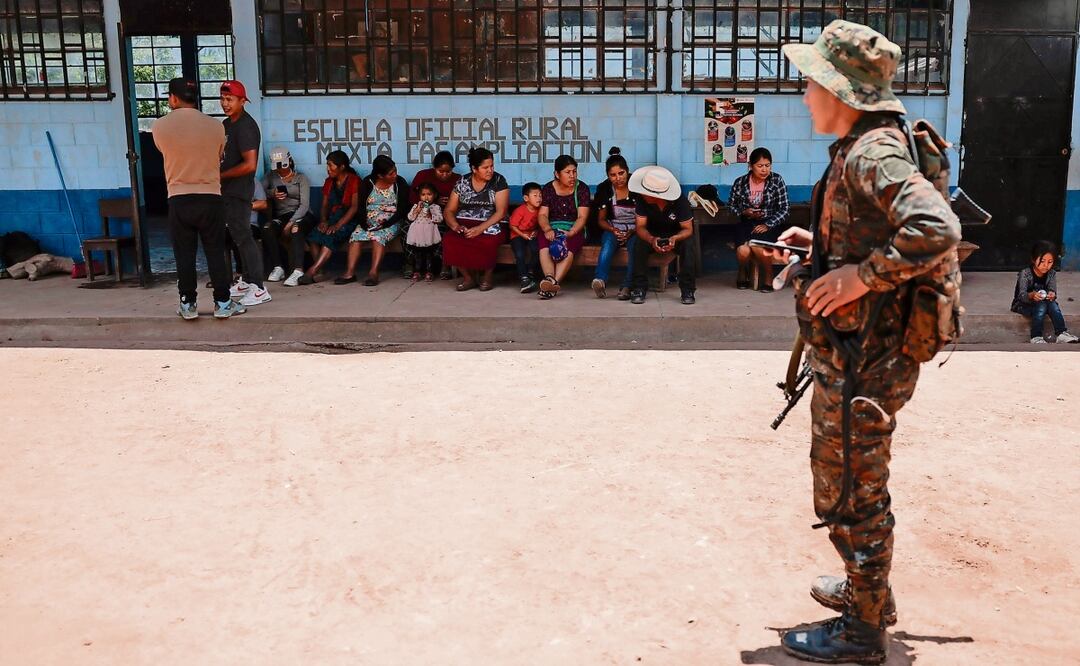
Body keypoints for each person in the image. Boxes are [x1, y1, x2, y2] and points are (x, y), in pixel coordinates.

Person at [766, 21, 962, 664]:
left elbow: (936, 227)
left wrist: (859, 277)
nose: (804, 97)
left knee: (851, 489)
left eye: (811, 83)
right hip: (864, 353)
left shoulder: (872, 153)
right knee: (851, 480)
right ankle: (867, 590)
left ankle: (862, 631)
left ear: (840, 90)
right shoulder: (862, 145)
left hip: (868, 362)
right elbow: (872, 230)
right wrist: (821, 250)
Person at [151, 77, 244, 319]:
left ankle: (188, 303)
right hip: (210, 197)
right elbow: (218, 155)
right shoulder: (216, 127)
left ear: (173, 98)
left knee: (184, 253)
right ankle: (223, 303)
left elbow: (163, 150)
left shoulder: (160, 126)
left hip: (179, 198)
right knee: (215, 251)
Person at [218, 79, 270, 306]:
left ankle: (259, 287)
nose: (225, 104)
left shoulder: (246, 127)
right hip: (227, 191)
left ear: (242, 101)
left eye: (230, 99)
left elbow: (250, 165)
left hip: (239, 191)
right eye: (222, 99)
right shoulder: (227, 125)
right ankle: (247, 280)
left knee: (245, 237)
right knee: (238, 237)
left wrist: (219, 175)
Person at [284, 150, 360, 286]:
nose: (328, 169)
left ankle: (312, 271)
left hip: (349, 219)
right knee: (313, 236)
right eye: (327, 165)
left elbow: (354, 207)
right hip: (333, 218)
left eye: (331, 165)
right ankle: (321, 271)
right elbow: (324, 205)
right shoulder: (329, 182)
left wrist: (338, 225)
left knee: (330, 237)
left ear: (342, 167)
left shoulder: (354, 180)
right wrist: (324, 221)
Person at [626, 166, 697, 305]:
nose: (643, 194)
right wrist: (652, 239)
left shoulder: (680, 202)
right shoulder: (642, 200)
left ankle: (688, 289)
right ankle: (639, 287)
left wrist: (675, 238)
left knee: (689, 244)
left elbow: (688, 229)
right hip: (651, 235)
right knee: (638, 243)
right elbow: (640, 227)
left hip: (676, 235)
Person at [442, 147, 509, 292]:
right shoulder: (462, 181)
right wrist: (455, 226)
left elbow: (501, 212)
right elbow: (449, 210)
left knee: (488, 241)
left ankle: (487, 276)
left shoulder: (499, 181)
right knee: (450, 239)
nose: (490, 170)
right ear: (474, 168)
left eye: (491, 166)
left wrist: (480, 229)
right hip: (465, 221)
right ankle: (468, 278)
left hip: (493, 222)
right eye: (485, 167)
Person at [336, 155, 410, 286]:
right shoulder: (368, 182)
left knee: (378, 237)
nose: (395, 175)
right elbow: (360, 207)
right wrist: (364, 224)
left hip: (391, 221)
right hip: (369, 221)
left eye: (395, 171)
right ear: (380, 176)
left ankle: (373, 273)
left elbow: (402, 209)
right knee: (356, 237)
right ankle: (349, 273)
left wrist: (385, 224)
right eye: (391, 173)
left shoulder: (400, 183)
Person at [728, 147, 790, 292]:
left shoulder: (777, 180)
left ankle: (768, 276)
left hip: (768, 224)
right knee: (743, 251)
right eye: (760, 166)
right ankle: (742, 271)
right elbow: (731, 206)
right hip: (746, 223)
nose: (764, 170)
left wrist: (768, 224)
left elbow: (785, 209)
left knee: (758, 247)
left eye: (767, 166)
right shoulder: (740, 182)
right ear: (750, 166)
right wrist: (744, 211)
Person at [536, 155, 591, 299]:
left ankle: (553, 283)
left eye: (574, 171)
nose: (572, 176)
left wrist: (571, 232)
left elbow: (582, 217)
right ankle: (549, 278)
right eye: (568, 172)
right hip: (552, 227)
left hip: (574, 229)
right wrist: (547, 229)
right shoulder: (548, 188)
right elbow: (542, 215)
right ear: (557, 174)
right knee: (543, 242)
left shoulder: (582, 189)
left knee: (569, 245)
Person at [592, 147, 640, 300]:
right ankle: (600, 280)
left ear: (627, 171)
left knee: (634, 247)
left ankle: (627, 286)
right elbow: (601, 220)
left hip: (637, 229)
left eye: (621, 173)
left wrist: (632, 232)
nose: (618, 178)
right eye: (612, 175)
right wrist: (613, 230)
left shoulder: (638, 187)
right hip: (614, 228)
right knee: (607, 243)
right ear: (608, 176)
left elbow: (645, 218)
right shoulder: (604, 189)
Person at [261, 147, 313, 281]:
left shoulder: (301, 178)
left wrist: (290, 224)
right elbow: (260, 192)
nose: (280, 169)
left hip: (302, 215)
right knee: (268, 228)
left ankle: (298, 270)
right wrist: (273, 193)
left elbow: (304, 205)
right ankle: (278, 267)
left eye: (282, 165)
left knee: (296, 229)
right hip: (282, 216)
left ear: (289, 161)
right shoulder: (270, 177)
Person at [1011, 240, 1079, 343]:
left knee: (1053, 305)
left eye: (1050, 262)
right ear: (1033, 259)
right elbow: (1021, 295)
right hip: (1022, 304)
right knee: (1042, 306)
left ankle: (1061, 333)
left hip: (1043, 303)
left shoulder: (1051, 274)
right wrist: (1032, 295)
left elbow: (1052, 290)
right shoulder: (1025, 274)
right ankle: (1036, 336)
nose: (1046, 265)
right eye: (1042, 261)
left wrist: (1052, 295)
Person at [410, 150, 461, 279]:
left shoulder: (458, 179)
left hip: (446, 216)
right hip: (422, 216)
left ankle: (445, 265)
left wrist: (451, 202)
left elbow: (464, 200)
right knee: (409, 229)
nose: (444, 175)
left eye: (448, 172)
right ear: (434, 168)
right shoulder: (423, 176)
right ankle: (411, 265)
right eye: (440, 171)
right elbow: (412, 197)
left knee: (447, 231)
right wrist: (433, 200)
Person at [405, 183, 443, 282]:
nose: (426, 197)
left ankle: (429, 271)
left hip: (429, 233)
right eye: (423, 194)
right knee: (417, 254)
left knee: (429, 254)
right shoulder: (416, 206)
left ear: (434, 195)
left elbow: (439, 219)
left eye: (429, 194)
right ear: (419, 196)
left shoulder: (435, 207)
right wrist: (417, 210)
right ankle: (417, 271)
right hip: (417, 233)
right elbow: (410, 218)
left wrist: (430, 213)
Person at [508, 182, 542, 293]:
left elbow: (540, 225)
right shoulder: (520, 210)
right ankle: (524, 277)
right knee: (520, 254)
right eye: (535, 196)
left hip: (531, 235)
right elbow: (512, 225)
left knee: (536, 250)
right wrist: (523, 235)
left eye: (540, 195)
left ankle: (530, 271)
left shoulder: (541, 210)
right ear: (526, 198)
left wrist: (535, 232)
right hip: (517, 234)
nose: (539, 198)